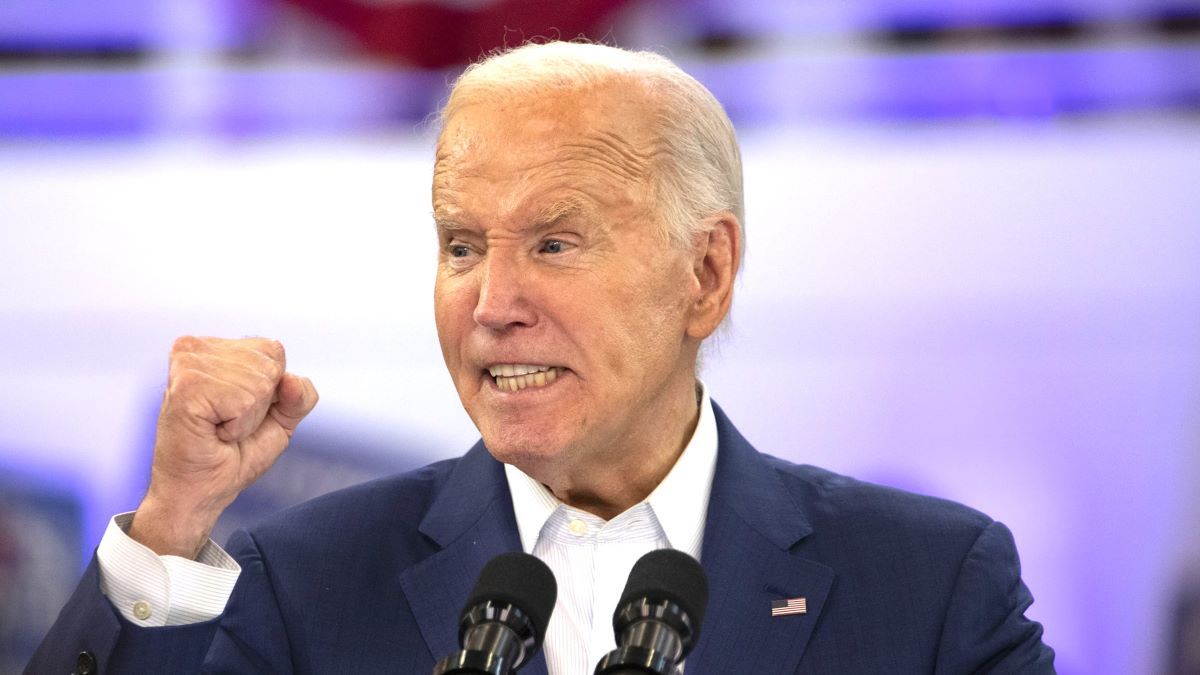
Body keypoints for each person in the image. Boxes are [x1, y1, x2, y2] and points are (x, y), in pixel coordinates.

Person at [27, 41, 1054, 674]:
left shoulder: (927, 585)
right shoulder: (306, 585)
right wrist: (169, 528)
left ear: (705, 273)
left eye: (553, 244)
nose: (493, 305)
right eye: (462, 246)